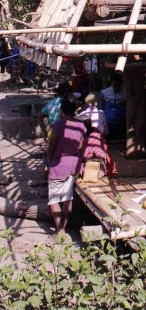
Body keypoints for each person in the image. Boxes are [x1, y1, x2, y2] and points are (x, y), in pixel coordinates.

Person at [47, 97, 86, 234]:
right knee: (67, 197)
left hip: (59, 165)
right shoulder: (81, 126)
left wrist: (50, 162)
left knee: (54, 199)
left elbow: (51, 148)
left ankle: (60, 230)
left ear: (62, 110)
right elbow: (81, 147)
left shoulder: (57, 125)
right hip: (74, 165)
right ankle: (63, 227)